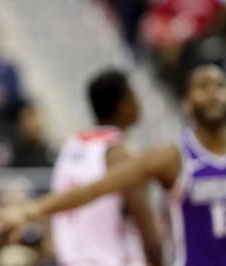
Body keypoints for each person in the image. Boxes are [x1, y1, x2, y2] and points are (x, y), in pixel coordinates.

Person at [0, 65, 226, 266]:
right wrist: (31, 210)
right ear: (187, 101)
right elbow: (98, 188)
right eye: (203, 86)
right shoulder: (170, 156)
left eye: (220, 85)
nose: (213, 92)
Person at [49, 69, 161, 265]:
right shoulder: (120, 155)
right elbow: (144, 222)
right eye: (135, 96)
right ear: (124, 105)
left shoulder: (70, 146)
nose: (139, 102)